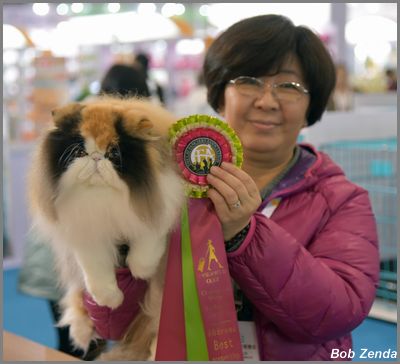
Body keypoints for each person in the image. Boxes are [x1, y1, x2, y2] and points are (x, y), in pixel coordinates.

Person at [83, 15, 379, 360]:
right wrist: (119, 246)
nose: (267, 101)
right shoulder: (167, 186)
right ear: (220, 94)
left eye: (289, 87)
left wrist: (244, 235)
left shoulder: (341, 200)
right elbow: (112, 324)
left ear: (312, 105)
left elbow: (337, 313)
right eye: (249, 81)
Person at [18, 62, 152, 360]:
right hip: (67, 267)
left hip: (48, 263)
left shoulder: (75, 127)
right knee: (86, 341)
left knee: (73, 342)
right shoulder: (110, 138)